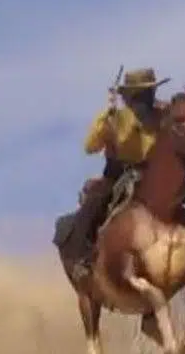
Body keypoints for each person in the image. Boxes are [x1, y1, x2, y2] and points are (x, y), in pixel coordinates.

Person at [71, 67, 176, 281]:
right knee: (94, 205)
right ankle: (83, 259)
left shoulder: (164, 117)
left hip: (154, 175)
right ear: (130, 97)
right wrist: (106, 119)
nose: (148, 99)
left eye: (150, 93)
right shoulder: (115, 118)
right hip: (118, 174)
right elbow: (90, 146)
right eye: (143, 94)